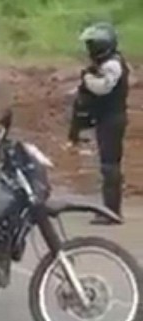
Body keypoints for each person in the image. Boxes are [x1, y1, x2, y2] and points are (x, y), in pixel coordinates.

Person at [74, 22, 129, 224]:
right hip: (108, 119)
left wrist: (87, 78)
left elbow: (102, 88)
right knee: (108, 165)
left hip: (112, 120)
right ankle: (110, 209)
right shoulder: (108, 63)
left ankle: (111, 211)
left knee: (110, 165)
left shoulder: (112, 65)